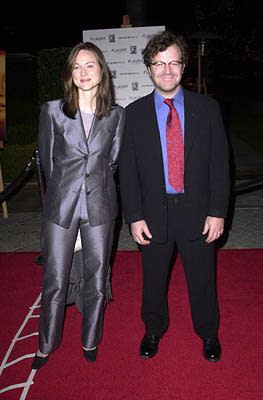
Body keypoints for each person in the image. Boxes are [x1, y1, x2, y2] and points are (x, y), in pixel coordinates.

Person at [119, 31, 230, 362]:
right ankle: (153, 329)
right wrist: (134, 216)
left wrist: (217, 211)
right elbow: (128, 171)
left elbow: (221, 166)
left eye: (173, 62)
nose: (167, 70)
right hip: (154, 211)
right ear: (149, 68)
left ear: (184, 66)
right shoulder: (134, 114)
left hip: (198, 210)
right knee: (153, 278)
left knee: (203, 278)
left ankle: (208, 333)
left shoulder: (208, 109)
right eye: (159, 63)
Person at [32, 42, 125, 369]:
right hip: (62, 207)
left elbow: (112, 162)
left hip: (100, 206)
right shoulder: (53, 110)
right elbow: (48, 164)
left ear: (101, 71)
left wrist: (91, 187)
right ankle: (46, 344)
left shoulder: (116, 115)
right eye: (77, 66)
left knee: (97, 277)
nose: (84, 73)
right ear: (69, 74)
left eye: (90, 66)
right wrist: (69, 190)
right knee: (55, 277)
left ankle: (90, 339)